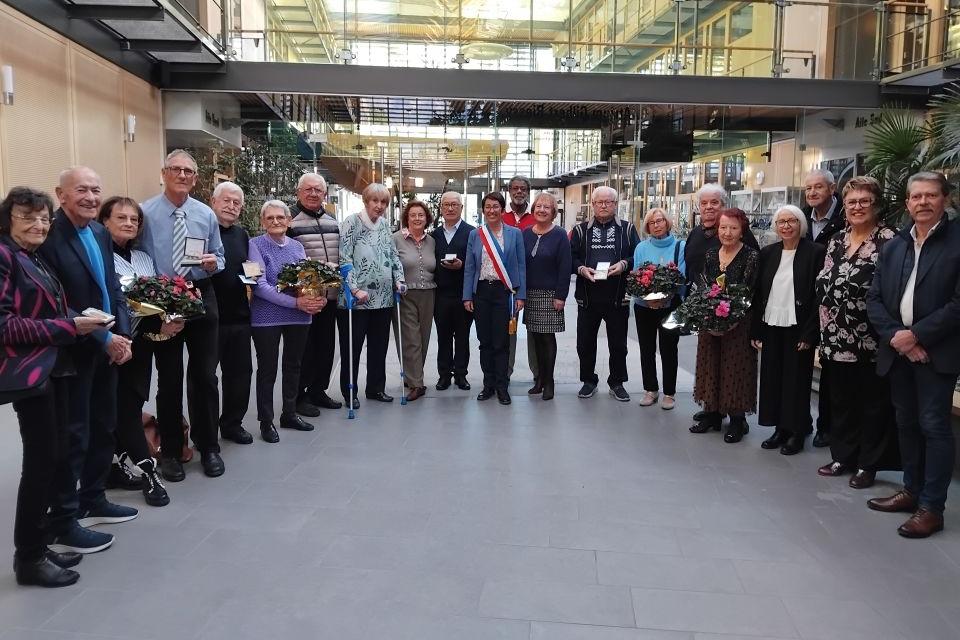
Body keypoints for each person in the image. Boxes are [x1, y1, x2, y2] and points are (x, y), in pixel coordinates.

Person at [0, 187, 106, 586]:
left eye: (44, 218)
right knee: (41, 462)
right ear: (8, 218)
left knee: (57, 455)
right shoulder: (5, 256)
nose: (39, 225)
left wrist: (82, 321)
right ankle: (27, 558)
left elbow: (51, 308)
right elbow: (4, 324)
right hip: (31, 371)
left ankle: (39, 544)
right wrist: (68, 327)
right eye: (28, 217)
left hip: (54, 368)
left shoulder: (29, 256)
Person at [39, 167, 135, 556]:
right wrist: (105, 337)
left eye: (97, 190)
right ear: (60, 195)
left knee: (103, 426)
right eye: (82, 190)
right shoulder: (50, 237)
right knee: (73, 434)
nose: (91, 197)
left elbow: (113, 285)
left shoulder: (98, 232)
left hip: (108, 346)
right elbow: (58, 301)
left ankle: (94, 497)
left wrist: (123, 332)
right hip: (73, 351)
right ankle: (63, 519)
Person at [866, 171, 960, 538]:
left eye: (930, 196)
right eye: (916, 196)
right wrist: (898, 338)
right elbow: (874, 300)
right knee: (905, 422)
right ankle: (911, 490)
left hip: (938, 354)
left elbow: (957, 304)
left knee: (934, 425)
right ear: (906, 203)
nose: (922, 202)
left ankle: (931, 508)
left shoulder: (956, 242)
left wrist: (917, 336)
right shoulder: (896, 245)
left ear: (945, 199)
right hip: (899, 352)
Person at [140, 150, 226, 482]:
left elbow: (219, 257)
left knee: (205, 375)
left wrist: (212, 264)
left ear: (195, 178)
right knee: (169, 377)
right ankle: (171, 451)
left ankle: (209, 446)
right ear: (164, 172)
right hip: (163, 297)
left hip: (200, 293)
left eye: (189, 171)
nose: (182, 175)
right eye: (176, 169)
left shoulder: (205, 214)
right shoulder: (146, 213)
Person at [816, 176, 899, 489]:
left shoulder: (890, 241)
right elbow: (824, 281)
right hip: (836, 338)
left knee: (873, 403)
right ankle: (843, 456)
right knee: (841, 400)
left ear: (876, 204)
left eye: (864, 201)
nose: (858, 207)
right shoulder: (837, 239)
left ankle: (868, 463)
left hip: (872, 340)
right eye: (852, 202)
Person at [99, 196, 175, 507]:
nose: (130, 223)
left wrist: (168, 321)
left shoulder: (143, 257)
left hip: (140, 345)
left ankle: (110, 468)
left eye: (134, 219)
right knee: (117, 409)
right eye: (122, 218)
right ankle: (148, 471)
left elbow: (155, 300)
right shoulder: (99, 257)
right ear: (105, 221)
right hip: (108, 344)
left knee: (130, 404)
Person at [751, 205, 826, 455]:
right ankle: (779, 428)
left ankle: (798, 429)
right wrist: (757, 330)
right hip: (772, 323)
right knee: (772, 378)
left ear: (801, 224)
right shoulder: (769, 252)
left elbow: (819, 297)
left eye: (791, 221)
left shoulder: (815, 252)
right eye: (781, 221)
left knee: (797, 381)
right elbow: (759, 293)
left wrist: (810, 333)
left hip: (799, 326)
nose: (786, 226)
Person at [249, 201, 324, 442]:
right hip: (266, 317)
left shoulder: (298, 246)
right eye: (269, 218)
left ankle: (289, 413)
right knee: (268, 369)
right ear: (263, 222)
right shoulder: (254, 245)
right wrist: (295, 303)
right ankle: (266, 421)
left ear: (289, 220)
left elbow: (306, 281)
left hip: (299, 317)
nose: (275, 221)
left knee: (293, 365)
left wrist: (315, 299)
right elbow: (258, 286)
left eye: (280, 217)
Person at [684, 184, 759, 425]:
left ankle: (737, 417)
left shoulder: (746, 245)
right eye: (704, 203)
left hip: (737, 316)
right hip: (707, 311)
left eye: (714, 202)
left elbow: (751, 282)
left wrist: (732, 310)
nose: (708, 207)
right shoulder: (697, 235)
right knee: (710, 363)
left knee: (734, 366)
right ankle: (713, 410)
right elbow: (697, 272)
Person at [338, 183, 405, 407]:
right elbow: (344, 258)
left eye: (383, 202)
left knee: (379, 346)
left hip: (384, 298)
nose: (379, 206)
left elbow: (393, 255)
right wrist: (355, 289)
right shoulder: (352, 222)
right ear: (366, 201)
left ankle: (376, 388)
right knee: (353, 348)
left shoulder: (386, 225)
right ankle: (350, 392)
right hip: (357, 299)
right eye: (375, 201)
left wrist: (400, 280)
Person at [570, 186, 640, 402]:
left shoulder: (627, 229)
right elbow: (570, 258)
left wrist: (623, 264)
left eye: (608, 202)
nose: (603, 205)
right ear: (592, 204)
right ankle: (588, 381)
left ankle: (617, 382)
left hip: (617, 296)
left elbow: (637, 256)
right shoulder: (580, 230)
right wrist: (581, 269)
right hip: (588, 296)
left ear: (615, 204)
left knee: (618, 344)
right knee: (585, 342)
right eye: (599, 202)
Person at [463, 192, 526, 405]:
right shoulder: (476, 234)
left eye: (496, 206)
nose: (492, 210)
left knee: (502, 342)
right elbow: (470, 267)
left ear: (502, 209)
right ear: (483, 210)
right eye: (488, 207)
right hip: (481, 292)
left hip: (504, 293)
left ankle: (502, 385)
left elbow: (521, 265)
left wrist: (521, 294)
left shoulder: (514, 234)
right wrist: (466, 296)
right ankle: (488, 384)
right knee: (485, 341)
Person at [288, 173, 342, 414]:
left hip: (329, 296)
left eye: (317, 190)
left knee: (326, 346)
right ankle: (299, 396)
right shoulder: (291, 221)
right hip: (306, 297)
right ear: (299, 192)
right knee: (305, 349)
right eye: (308, 189)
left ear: (324, 194)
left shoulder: (332, 220)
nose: (313, 194)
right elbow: (288, 261)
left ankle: (319, 390)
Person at [803, 169, 845, 449]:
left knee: (831, 372)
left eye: (819, 187)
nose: (813, 193)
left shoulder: (845, 219)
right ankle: (799, 421)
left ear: (832, 189)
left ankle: (827, 427)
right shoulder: (802, 219)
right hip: (804, 303)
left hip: (836, 305)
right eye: (809, 189)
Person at [209, 182, 254, 445]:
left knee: (240, 374)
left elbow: (248, 267)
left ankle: (232, 423)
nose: (231, 206)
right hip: (210, 319)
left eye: (236, 203)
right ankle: (206, 431)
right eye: (226, 201)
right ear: (213, 202)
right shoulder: (203, 232)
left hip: (239, 315)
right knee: (206, 378)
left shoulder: (241, 235)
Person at [632, 208, 686, 411]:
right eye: (652, 222)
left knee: (669, 349)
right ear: (647, 226)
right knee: (646, 349)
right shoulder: (641, 248)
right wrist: (649, 299)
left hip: (670, 306)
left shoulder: (680, 246)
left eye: (660, 220)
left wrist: (663, 298)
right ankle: (650, 390)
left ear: (667, 222)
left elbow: (680, 275)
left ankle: (670, 393)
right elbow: (636, 276)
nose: (656, 225)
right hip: (644, 306)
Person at [522, 192, 571, 401]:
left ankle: (549, 382)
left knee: (547, 339)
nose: (542, 210)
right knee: (535, 339)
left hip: (551, 295)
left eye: (547, 207)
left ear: (553, 212)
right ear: (533, 210)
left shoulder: (559, 235)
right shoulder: (525, 233)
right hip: (530, 294)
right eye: (538, 206)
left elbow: (565, 266)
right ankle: (539, 379)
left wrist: (561, 295)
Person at [392, 201, 437, 401]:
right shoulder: (395, 239)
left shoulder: (432, 241)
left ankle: (412, 376)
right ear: (406, 218)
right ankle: (417, 383)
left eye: (421, 215)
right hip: (405, 294)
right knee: (410, 338)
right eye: (413, 215)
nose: (417, 218)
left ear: (427, 218)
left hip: (429, 293)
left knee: (423, 338)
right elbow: (389, 264)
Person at [432, 191, 475, 391]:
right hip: (440, 295)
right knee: (443, 337)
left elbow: (476, 263)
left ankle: (461, 375)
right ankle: (443, 375)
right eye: (446, 205)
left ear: (461, 208)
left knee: (463, 337)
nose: (450, 208)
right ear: (441, 209)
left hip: (463, 295)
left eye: (454, 205)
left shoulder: (472, 233)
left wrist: (462, 265)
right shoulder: (434, 235)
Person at [502, 175, 538, 383]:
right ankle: (505, 373)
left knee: (535, 331)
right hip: (507, 286)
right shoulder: (500, 216)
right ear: (509, 191)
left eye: (523, 189)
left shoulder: (537, 217)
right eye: (515, 188)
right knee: (508, 331)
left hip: (533, 283)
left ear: (528, 192)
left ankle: (539, 374)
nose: (519, 192)